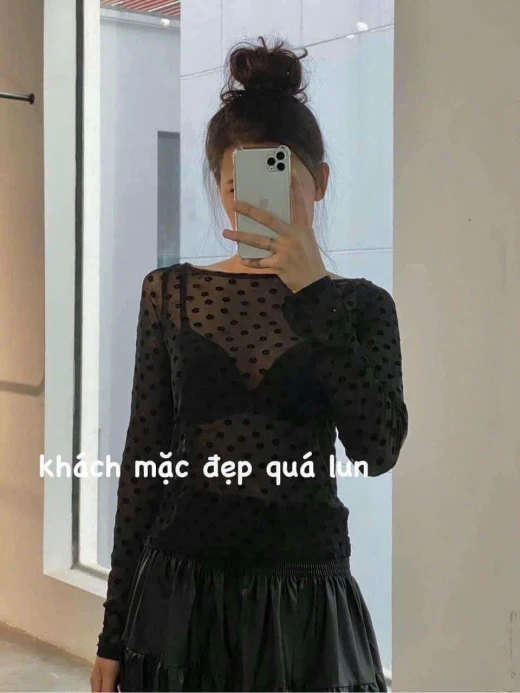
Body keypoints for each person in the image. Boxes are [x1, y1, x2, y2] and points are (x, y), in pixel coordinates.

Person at [90, 36, 408, 693]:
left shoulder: (360, 306)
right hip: (180, 596)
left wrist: (313, 293)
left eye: (281, 184)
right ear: (220, 188)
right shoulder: (171, 292)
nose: (259, 206)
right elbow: (144, 464)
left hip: (303, 603)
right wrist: (113, 633)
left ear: (320, 182)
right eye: (240, 188)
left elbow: (377, 447)